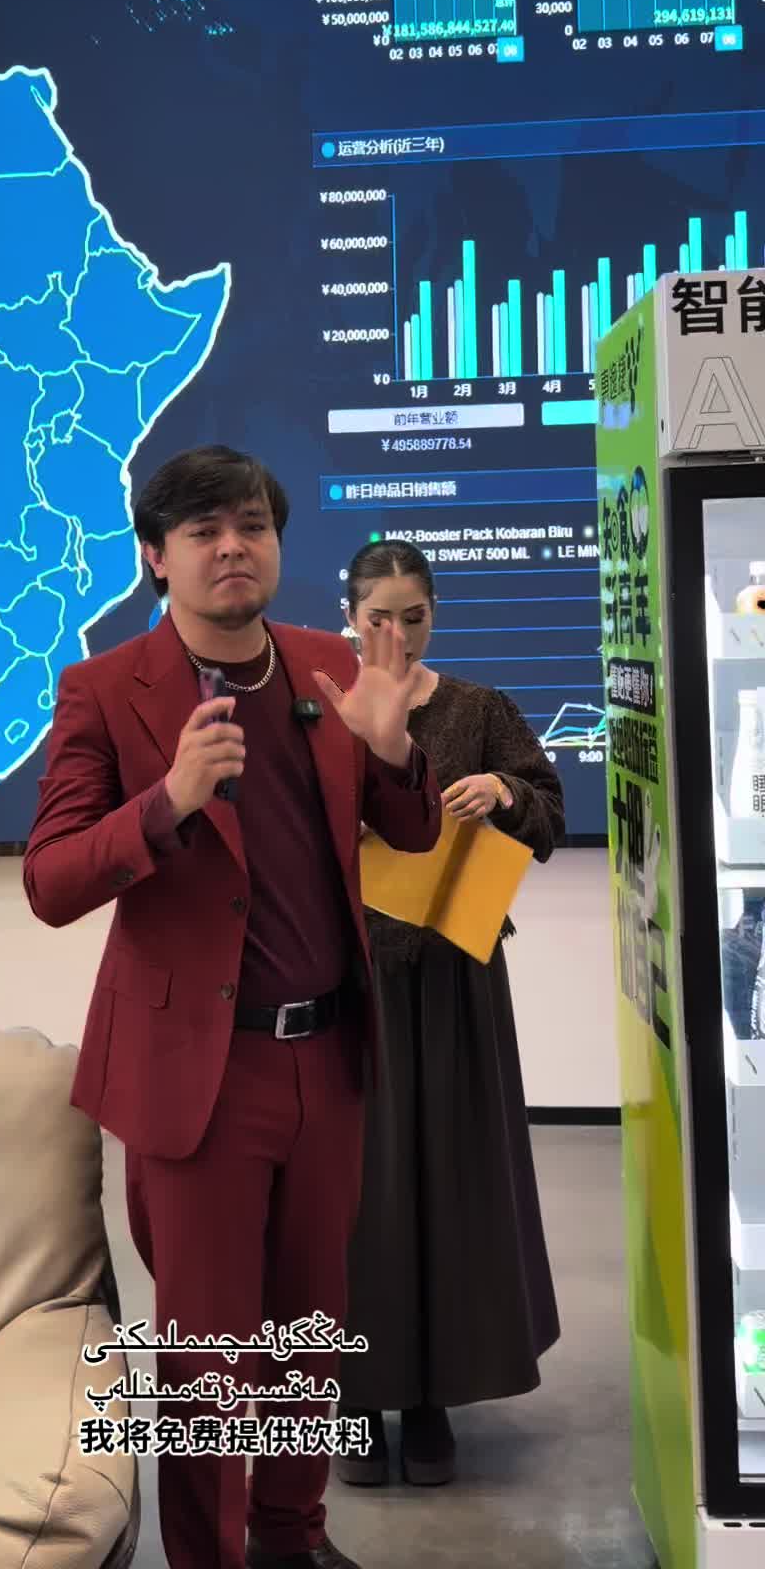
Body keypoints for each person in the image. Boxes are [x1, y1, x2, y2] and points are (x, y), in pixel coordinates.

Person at [23, 447, 442, 1569]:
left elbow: (411, 834)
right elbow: (52, 881)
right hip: (199, 1073)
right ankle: (207, 1556)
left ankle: (292, 1537)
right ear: (156, 557)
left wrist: (395, 751)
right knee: (208, 1354)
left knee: (309, 1330)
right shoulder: (107, 691)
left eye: (250, 525)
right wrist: (167, 802)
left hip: (328, 1058)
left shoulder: (328, 668)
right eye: (202, 530)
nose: (231, 547)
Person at [334, 536, 564, 1491]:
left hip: (456, 981)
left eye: (414, 616)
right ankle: (353, 1396)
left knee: (451, 1187)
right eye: (378, 617)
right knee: (356, 1196)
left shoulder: (479, 709)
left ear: (436, 614)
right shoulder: (320, 707)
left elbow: (548, 814)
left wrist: (505, 790)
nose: (396, 633)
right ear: (350, 617)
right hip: (349, 984)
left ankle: (431, 1395)